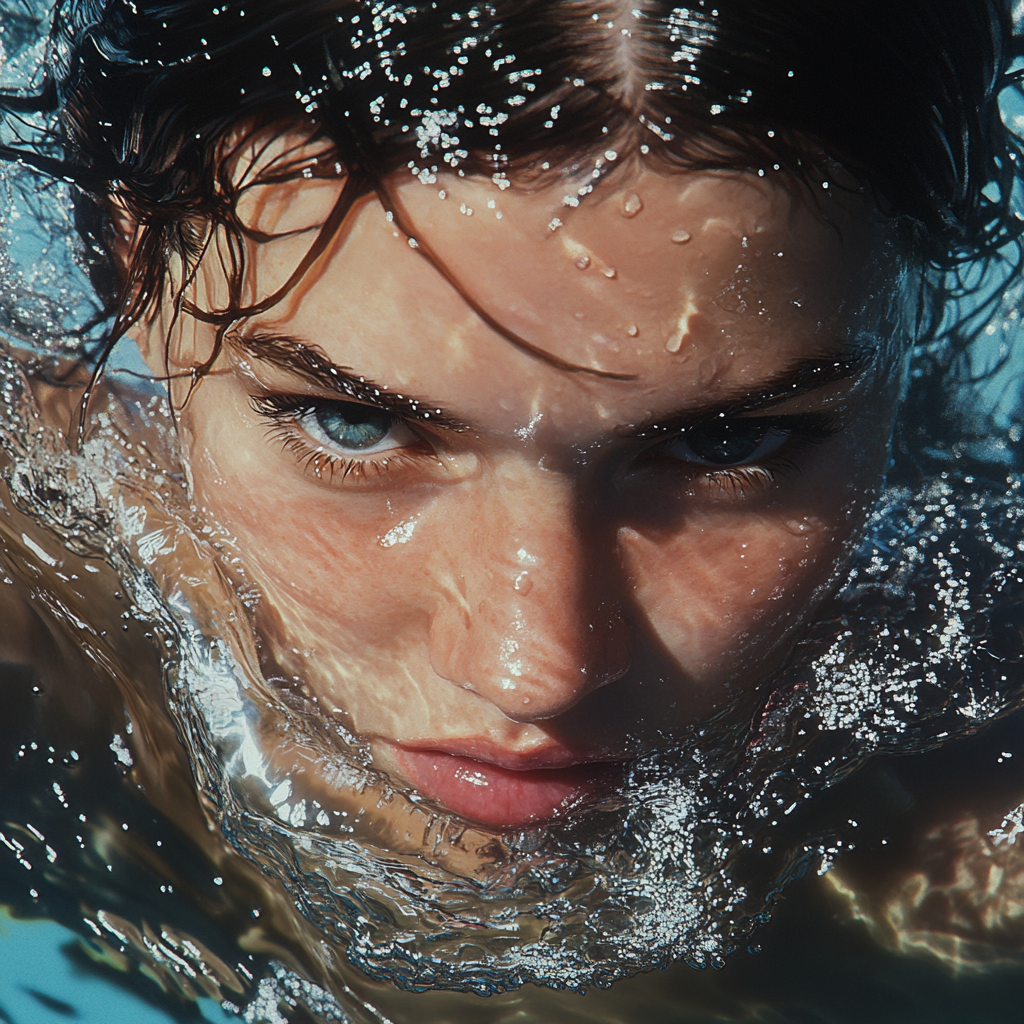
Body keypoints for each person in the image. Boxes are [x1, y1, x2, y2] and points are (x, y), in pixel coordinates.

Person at [1, 0, 1024, 1019]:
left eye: (724, 443)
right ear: (132, 273)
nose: (531, 672)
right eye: (351, 425)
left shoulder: (983, 824)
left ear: (908, 315)